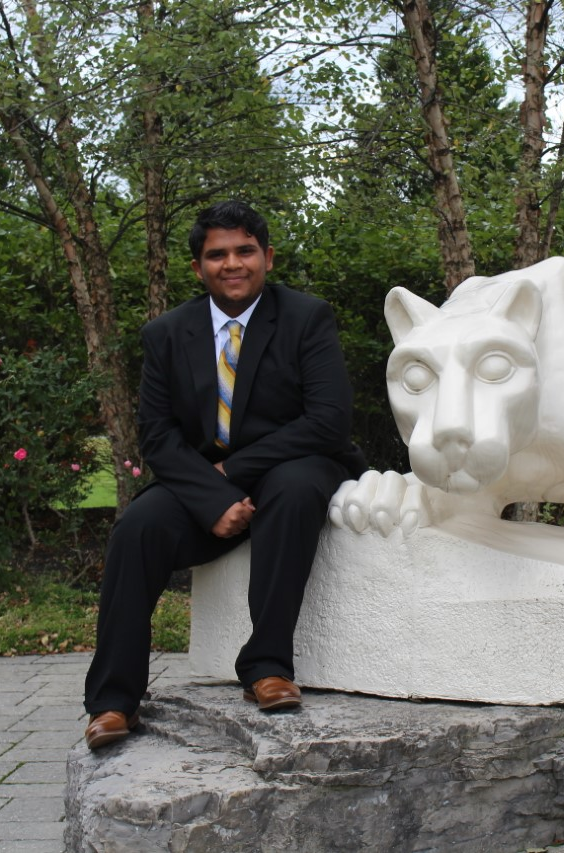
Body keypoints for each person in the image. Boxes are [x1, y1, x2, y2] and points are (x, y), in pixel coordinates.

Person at [83, 200, 367, 749]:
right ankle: (113, 702)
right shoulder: (166, 334)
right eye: (217, 255)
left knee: (292, 489)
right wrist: (212, 497)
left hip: (296, 462)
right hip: (203, 479)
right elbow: (158, 435)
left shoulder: (306, 317)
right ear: (198, 268)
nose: (232, 264)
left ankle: (267, 666)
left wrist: (232, 473)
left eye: (245, 251)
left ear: (267, 258)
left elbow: (329, 421)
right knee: (138, 528)